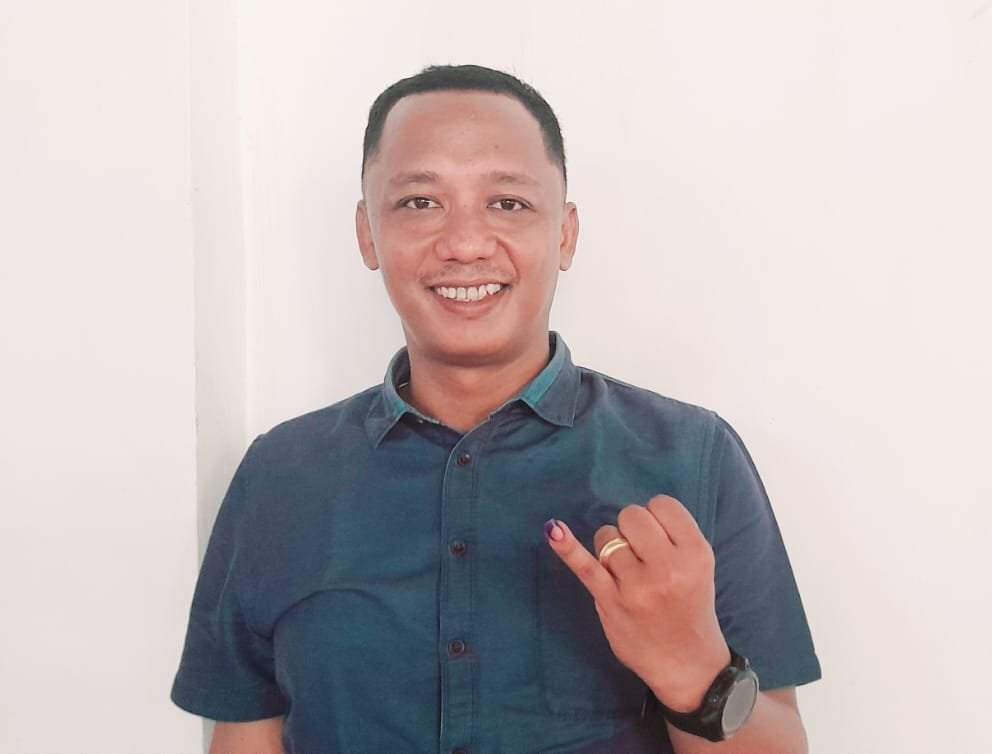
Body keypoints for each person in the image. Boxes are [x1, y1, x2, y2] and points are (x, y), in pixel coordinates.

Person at [171, 64, 820, 753]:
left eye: (507, 203)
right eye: (420, 202)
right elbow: (244, 738)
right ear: (367, 233)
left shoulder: (692, 456)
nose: (465, 244)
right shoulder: (279, 475)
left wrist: (693, 671)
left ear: (565, 235)